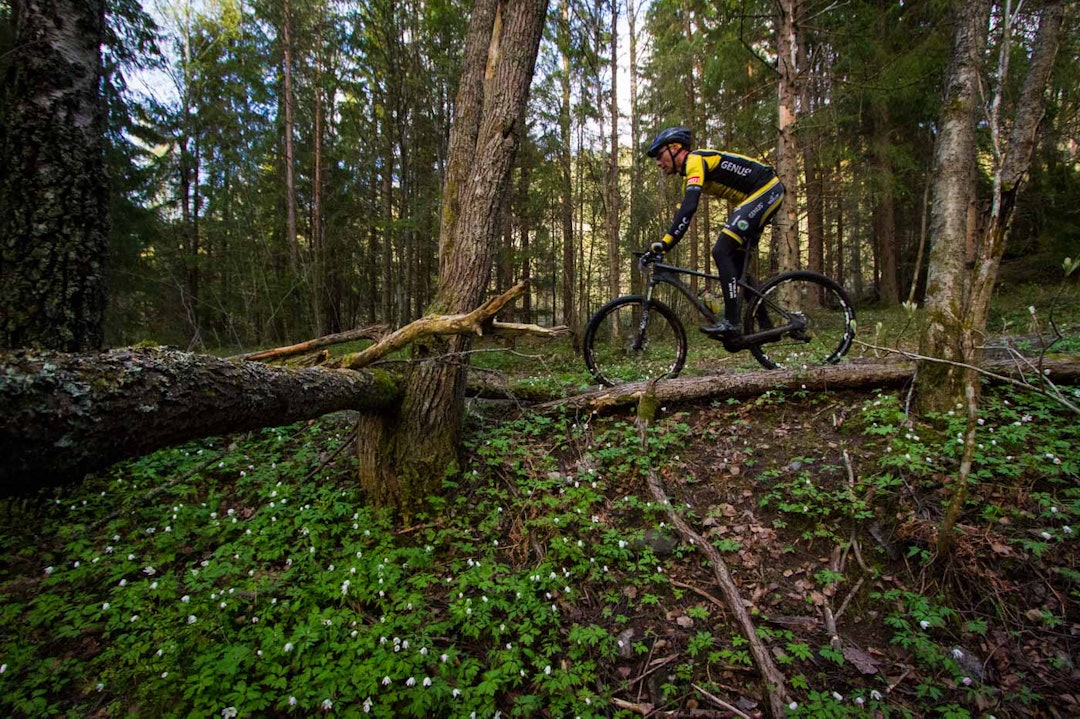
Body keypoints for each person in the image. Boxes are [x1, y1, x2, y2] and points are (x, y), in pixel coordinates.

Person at [644, 126, 785, 335]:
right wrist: (665, 244)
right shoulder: (692, 174)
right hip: (757, 197)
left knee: (721, 251)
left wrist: (665, 243)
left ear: (675, 148)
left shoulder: (695, 161)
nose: (658, 162)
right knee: (737, 269)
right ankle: (766, 327)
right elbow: (685, 214)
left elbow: (688, 208)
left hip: (766, 190)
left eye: (660, 154)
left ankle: (731, 322)